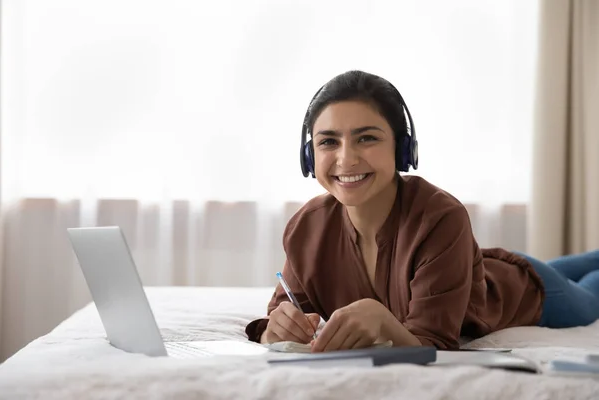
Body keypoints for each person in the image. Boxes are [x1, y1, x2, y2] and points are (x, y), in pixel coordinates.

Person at [245, 70, 599, 352]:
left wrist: (384, 322)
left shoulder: (441, 217)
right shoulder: (306, 228)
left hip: (525, 292)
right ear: (310, 156)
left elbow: (436, 342)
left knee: (591, 297)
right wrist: (275, 329)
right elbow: (283, 311)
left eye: (366, 138)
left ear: (402, 150)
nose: (346, 158)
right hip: (479, 267)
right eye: (328, 141)